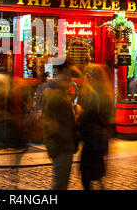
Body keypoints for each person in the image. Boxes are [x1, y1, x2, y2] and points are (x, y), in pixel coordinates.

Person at [42, 61, 78, 190]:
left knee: (61, 183)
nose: (71, 77)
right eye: (69, 72)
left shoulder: (60, 92)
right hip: (61, 146)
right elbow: (52, 124)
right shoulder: (56, 95)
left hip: (63, 145)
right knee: (60, 184)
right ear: (63, 72)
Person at [77, 64, 114, 190]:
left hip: (92, 136)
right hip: (98, 137)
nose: (88, 77)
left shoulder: (92, 92)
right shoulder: (106, 92)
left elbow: (87, 112)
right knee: (95, 169)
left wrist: (79, 118)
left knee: (87, 171)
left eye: (90, 74)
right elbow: (109, 116)